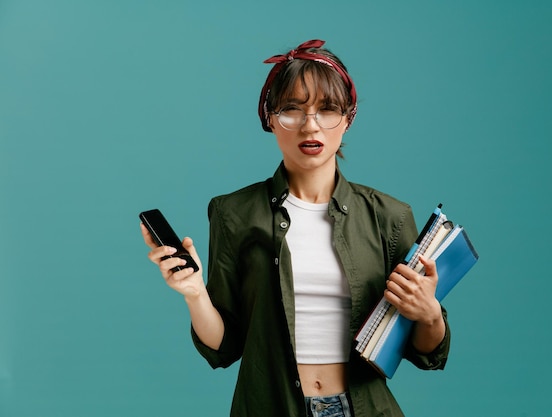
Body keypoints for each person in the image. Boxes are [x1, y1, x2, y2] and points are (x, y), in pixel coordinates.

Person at [140, 39, 450, 417]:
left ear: (348, 118)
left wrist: (430, 313)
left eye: (327, 109)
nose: (310, 125)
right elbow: (224, 347)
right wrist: (193, 294)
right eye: (292, 109)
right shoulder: (233, 212)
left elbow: (425, 351)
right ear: (270, 118)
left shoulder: (389, 217)